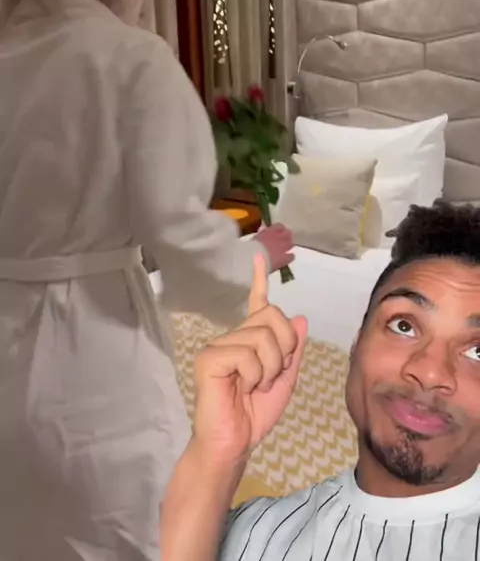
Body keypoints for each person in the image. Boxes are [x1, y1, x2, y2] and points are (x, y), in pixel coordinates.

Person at [0, 0, 293, 561]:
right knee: (138, 527)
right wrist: (257, 257)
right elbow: (180, 237)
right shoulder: (131, 57)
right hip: (94, 354)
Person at [162, 200, 480, 561]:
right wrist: (216, 453)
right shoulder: (251, 532)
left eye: (478, 351)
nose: (430, 371)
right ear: (356, 344)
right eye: (403, 326)